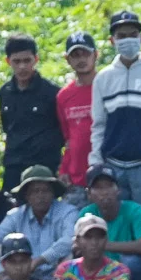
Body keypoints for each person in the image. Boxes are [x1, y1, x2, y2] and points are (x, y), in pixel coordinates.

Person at [87, 10, 141, 218]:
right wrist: (96, 165)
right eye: (122, 36)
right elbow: (98, 126)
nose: (128, 40)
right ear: (112, 40)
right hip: (112, 166)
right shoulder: (103, 78)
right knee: (116, 223)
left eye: (132, 34)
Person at [0, 33, 63, 193]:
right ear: (8, 61)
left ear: (36, 59)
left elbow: (62, 132)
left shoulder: (52, 93)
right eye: (16, 61)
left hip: (43, 167)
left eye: (27, 60)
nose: (22, 66)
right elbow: (8, 128)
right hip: (14, 167)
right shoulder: (4, 93)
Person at [0, 166, 73, 277]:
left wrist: (40, 260)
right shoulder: (16, 216)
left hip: (58, 277)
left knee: (74, 251)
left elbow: (70, 239)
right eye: (35, 191)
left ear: (53, 193)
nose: (40, 196)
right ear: (26, 195)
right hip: (24, 279)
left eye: (45, 190)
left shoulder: (67, 212)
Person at [79, 165, 141, 280]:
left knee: (130, 262)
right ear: (89, 193)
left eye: (109, 186)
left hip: (127, 270)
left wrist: (101, 246)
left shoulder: (134, 209)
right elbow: (78, 246)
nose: (105, 192)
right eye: (98, 188)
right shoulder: (87, 213)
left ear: (118, 189)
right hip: (97, 266)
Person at [56, 32, 99, 201]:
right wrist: (64, 169)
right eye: (75, 55)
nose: (81, 59)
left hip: (105, 176)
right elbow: (68, 139)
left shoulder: (107, 85)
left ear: (95, 55)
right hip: (76, 179)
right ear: (68, 59)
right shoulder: (64, 96)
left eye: (85, 54)